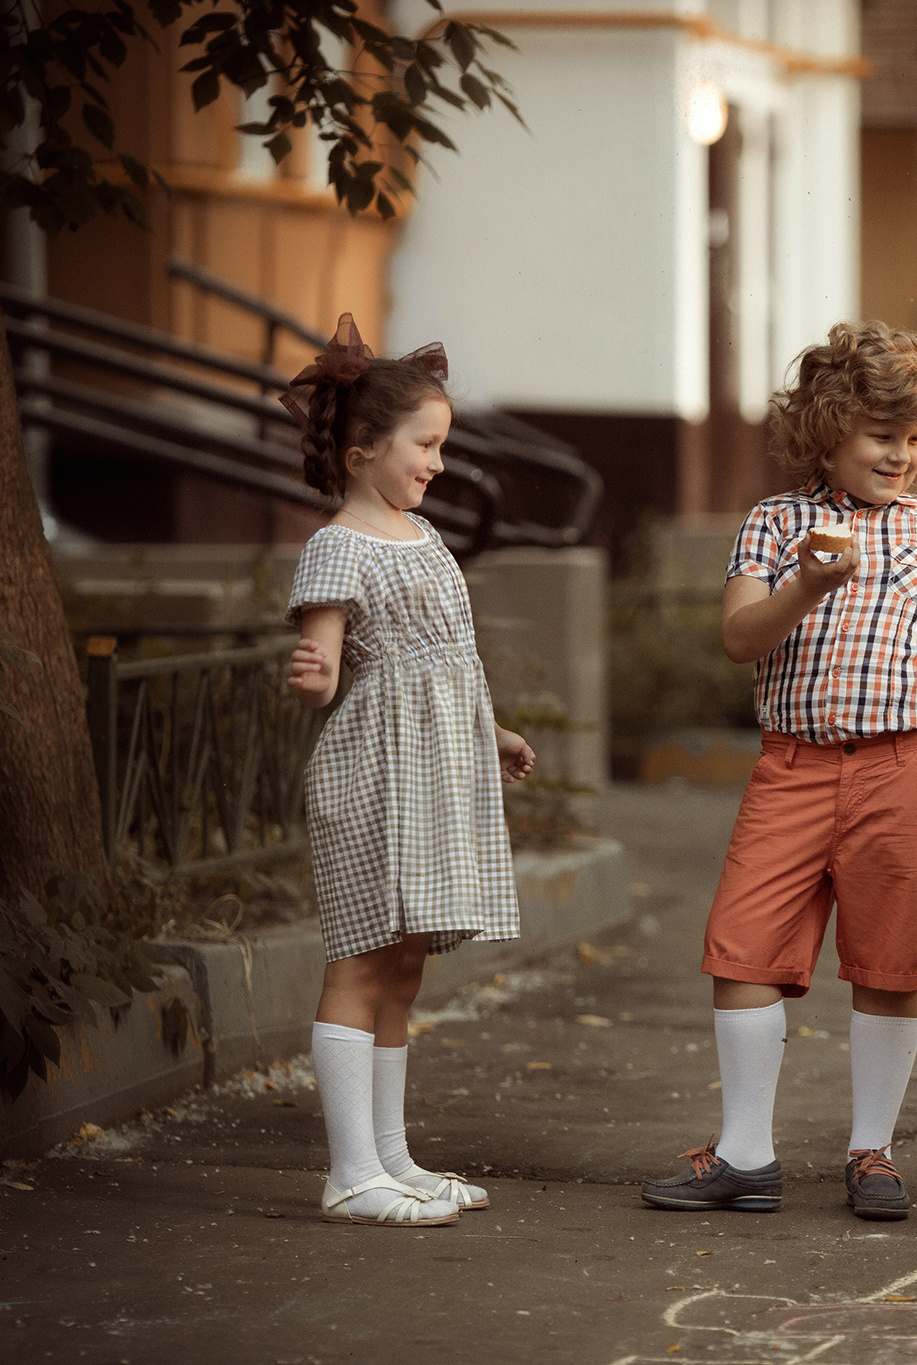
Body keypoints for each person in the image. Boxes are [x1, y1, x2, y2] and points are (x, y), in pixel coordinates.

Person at [640, 322, 917, 1221]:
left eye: (914, 438)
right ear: (828, 427)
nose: (901, 454)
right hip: (792, 768)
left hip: (905, 769)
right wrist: (806, 587)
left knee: (892, 960)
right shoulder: (777, 523)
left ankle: (873, 1151)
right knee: (743, 948)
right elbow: (739, 637)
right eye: (881, 435)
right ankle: (747, 1153)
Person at [280, 316, 535, 1228]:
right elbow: (328, 671)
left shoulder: (420, 536)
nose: (436, 462)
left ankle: (390, 1158)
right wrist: (312, 677)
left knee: (402, 967)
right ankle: (349, 1172)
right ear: (360, 452)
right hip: (374, 772)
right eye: (423, 445)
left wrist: (489, 732)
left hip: (434, 770)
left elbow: (441, 662)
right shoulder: (338, 544)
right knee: (357, 961)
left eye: (442, 444)